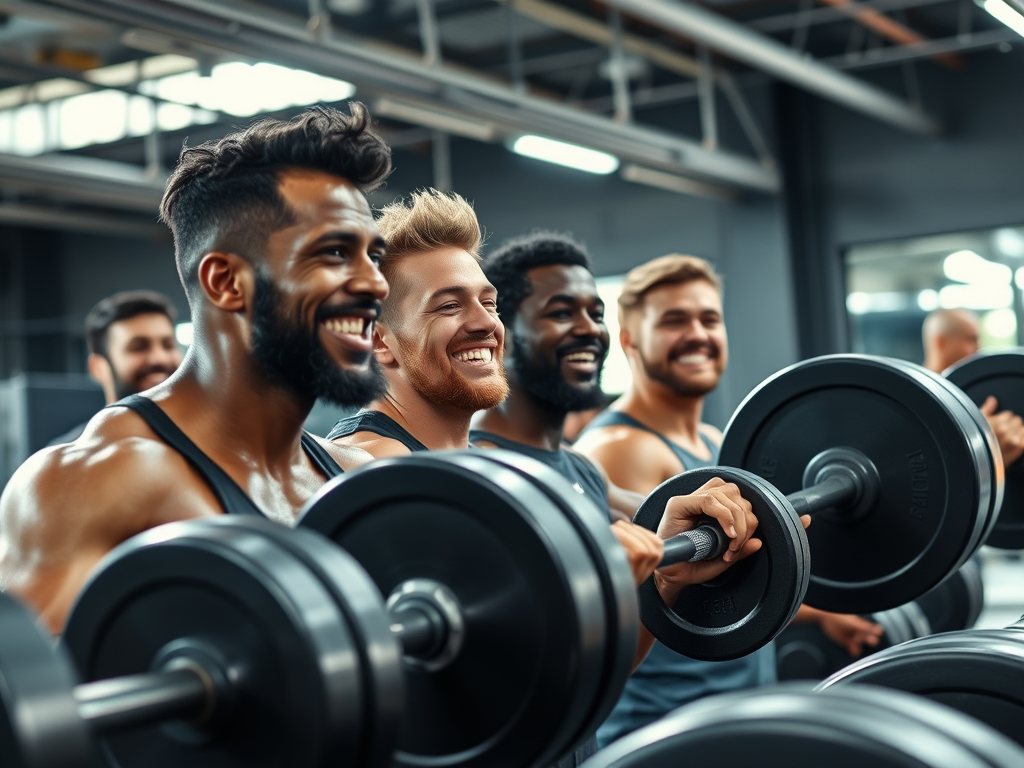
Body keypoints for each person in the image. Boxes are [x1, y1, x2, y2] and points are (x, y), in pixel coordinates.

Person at [331, 198, 761, 768]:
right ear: (380, 340)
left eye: (488, 302)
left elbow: (578, 682)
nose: (486, 323)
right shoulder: (366, 472)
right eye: (448, 306)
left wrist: (660, 583)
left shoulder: (500, 472)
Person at [0, 104, 393, 634]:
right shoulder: (97, 482)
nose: (375, 283)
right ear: (226, 283)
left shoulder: (353, 477)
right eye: (335, 253)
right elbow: (23, 680)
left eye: (374, 256)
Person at [473, 242, 865, 745]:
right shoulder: (614, 449)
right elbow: (600, 620)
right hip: (662, 729)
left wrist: (782, 539)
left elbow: (707, 565)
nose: (697, 334)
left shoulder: (594, 465)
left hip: (729, 720)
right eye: (675, 321)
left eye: (709, 319)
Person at [47, 291, 184, 446]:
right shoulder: (72, 454)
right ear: (98, 368)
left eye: (168, 345)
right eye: (138, 347)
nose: (160, 358)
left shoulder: (202, 441)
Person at [922, 308, 1024, 466]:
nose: (978, 347)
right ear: (940, 342)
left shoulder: (978, 388)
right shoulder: (917, 400)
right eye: (971, 339)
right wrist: (981, 447)